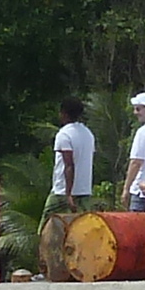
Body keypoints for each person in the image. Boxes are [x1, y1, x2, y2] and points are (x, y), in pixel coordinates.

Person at [45, 97, 96, 279]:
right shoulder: (88, 134)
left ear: (64, 113)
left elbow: (69, 165)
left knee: (46, 229)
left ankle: (46, 269)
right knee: (82, 231)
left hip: (62, 191)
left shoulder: (64, 135)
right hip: (84, 189)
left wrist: (68, 193)